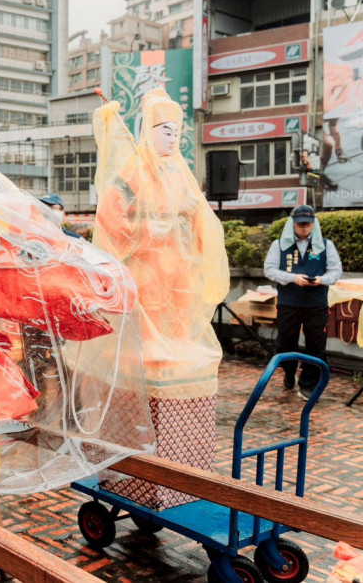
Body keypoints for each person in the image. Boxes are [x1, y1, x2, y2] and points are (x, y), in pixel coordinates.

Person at [92, 88, 229, 509]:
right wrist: (150, 229)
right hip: (146, 274)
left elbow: (201, 225)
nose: (172, 138)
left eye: (176, 132)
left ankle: (180, 478)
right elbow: (110, 219)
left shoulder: (181, 175)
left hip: (178, 279)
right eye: (164, 130)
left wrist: (188, 217)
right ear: (148, 132)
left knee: (178, 325)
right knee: (147, 326)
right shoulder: (133, 172)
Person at [263, 204, 342, 400]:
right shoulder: (279, 245)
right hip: (289, 303)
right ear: (293, 224)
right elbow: (269, 270)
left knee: (316, 346)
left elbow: (336, 271)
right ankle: (289, 371)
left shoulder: (326, 245)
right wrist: (292, 278)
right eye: (300, 224)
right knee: (284, 344)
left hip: (316, 304)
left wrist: (321, 280)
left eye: (307, 224)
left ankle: (308, 384)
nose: (304, 227)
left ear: (313, 224)